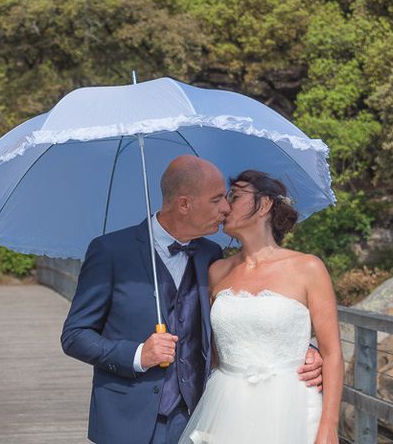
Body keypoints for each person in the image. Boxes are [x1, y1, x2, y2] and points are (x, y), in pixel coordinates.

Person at [61, 156, 324, 444]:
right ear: (184, 204)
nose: (225, 208)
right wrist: (138, 355)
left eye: (227, 198)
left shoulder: (210, 255)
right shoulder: (110, 251)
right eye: (216, 200)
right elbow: (75, 335)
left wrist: (302, 348)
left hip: (200, 417)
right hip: (127, 421)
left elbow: (241, 317)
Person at [179, 170, 343, 444]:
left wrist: (329, 425)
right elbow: (213, 350)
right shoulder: (216, 271)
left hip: (291, 405)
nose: (225, 205)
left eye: (235, 196)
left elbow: (333, 352)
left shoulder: (308, 268)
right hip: (226, 405)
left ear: (264, 204)